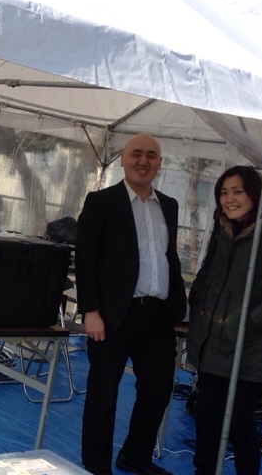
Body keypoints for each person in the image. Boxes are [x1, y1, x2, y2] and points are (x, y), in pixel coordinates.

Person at [75, 133, 187, 475]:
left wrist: (178, 307)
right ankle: (96, 466)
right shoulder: (102, 202)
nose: (143, 161)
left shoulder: (169, 205)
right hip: (112, 315)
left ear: (159, 163)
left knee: (158, 390)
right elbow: (86, 258)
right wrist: (90, 310)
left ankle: (134, 456)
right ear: (122, 160)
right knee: (103, 395)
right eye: (136, 153)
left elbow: (167, 257)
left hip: (157, 315)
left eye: (151, 155)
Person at [186, 165, 262, 475]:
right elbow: (207, 272)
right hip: (214, 342)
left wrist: (250, 320)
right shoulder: (222, 228)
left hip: (249, 348)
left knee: (239, 423)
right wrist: (198, 304)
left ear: (254, 194)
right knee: (206, 415)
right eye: (223, 192)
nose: (229, 199)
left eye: (237, 191)